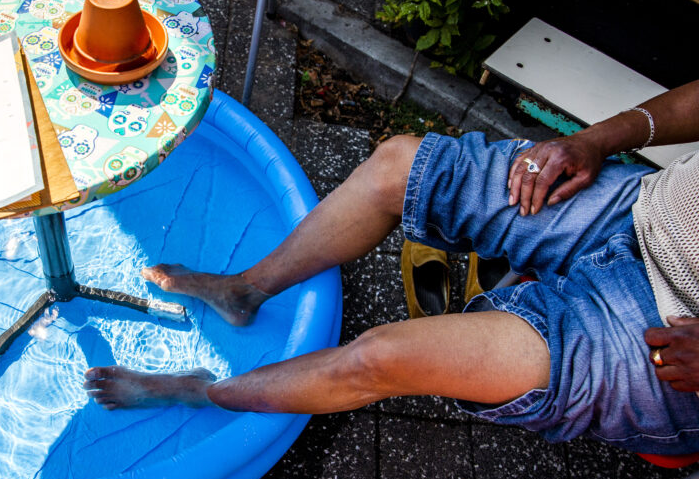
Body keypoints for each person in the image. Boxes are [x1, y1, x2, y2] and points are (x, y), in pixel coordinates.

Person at [83, 80, 699, 455]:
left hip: (666, 334)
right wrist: (598, 139)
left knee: (380, 358)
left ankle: (204, 391)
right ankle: (247, 289)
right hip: (644, 209)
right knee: (398, 166)